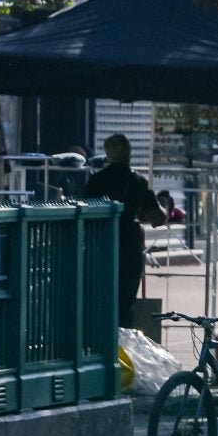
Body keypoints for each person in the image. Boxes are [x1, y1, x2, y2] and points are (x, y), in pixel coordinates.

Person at [82, 134, 168, 326]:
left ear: (108, 154)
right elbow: (157, 219)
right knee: (124, 305)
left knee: (99, 303)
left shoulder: (97, 181)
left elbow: (86, 214)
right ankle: (120, 349)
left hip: (100, 247)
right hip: (128, 249)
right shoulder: (138, 181)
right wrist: (165, 205)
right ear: (130, 153)